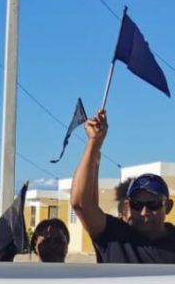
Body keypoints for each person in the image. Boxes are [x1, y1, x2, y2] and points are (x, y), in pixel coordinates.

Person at [71, 110, 175, 262]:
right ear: (127, 206)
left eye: (153, 204)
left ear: (168, 206)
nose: (144, 212)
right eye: (137, 205)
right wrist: (94, 142)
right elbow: (81, 204)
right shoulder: (114, 237)